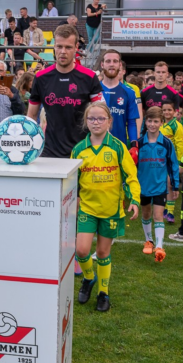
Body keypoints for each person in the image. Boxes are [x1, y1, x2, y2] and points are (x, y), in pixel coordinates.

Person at [72, 102, 140, 312]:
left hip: (111, 210)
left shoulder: (118, 147)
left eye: (101, 118)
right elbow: (72, 180)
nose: (96, 122)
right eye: (91, 118)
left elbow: (130, 176)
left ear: (109, 121)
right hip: (87, 209)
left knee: (102, 252)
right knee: (81, 250)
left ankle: (104, 292)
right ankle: (89, 278)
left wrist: (134, 200)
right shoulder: (79, 150)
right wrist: (72, 201)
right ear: (86, 122)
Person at [27, 24, 104, 158]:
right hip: (50, 152)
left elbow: (102, 115)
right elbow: (31, 116)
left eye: (68, 47)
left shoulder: (89, 77)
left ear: (76, 48)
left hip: (83, 151)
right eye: (59, 46)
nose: (63, 51)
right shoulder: (41, 77)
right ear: (54, 47)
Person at [137, 106, 179, 263]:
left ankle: (160, 246)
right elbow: (132, 166)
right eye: (149, 121)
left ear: (161, 122)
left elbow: (173, 165)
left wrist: (175, 186)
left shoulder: (167, 143)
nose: (152, 124)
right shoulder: (139, 143)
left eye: (156, 121)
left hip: (160, 186)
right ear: (145, 122)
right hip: (143, 187)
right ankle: (149, 240)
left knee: (158, 216)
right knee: (146, 215)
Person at [100, 49, 140, 147]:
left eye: (115, 61)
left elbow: (131, 122)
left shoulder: (129, 92)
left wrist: (134, 144)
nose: (112, 64)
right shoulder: (93, 90)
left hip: (119, 146)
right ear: (102, 65)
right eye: (108, 61)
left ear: (120, 65)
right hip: (96, 147)